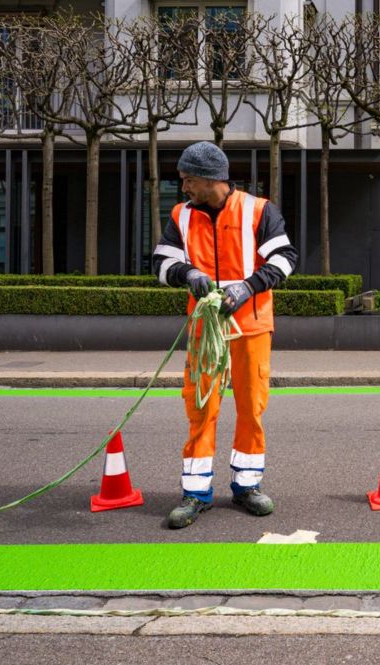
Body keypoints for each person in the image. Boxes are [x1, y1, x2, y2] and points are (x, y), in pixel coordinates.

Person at [152, 141, 298, 529]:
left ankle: (247, 486)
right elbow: (161, 262)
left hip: (251, 327)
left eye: (188, 180)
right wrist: (189, 274)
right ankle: (195, 494)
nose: (183, 187)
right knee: (201, 408)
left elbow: (285, 259)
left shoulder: (259, 210)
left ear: (210, 179)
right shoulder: (181, 215)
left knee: (251, 407)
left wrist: (247, 287)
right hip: (206, 330)